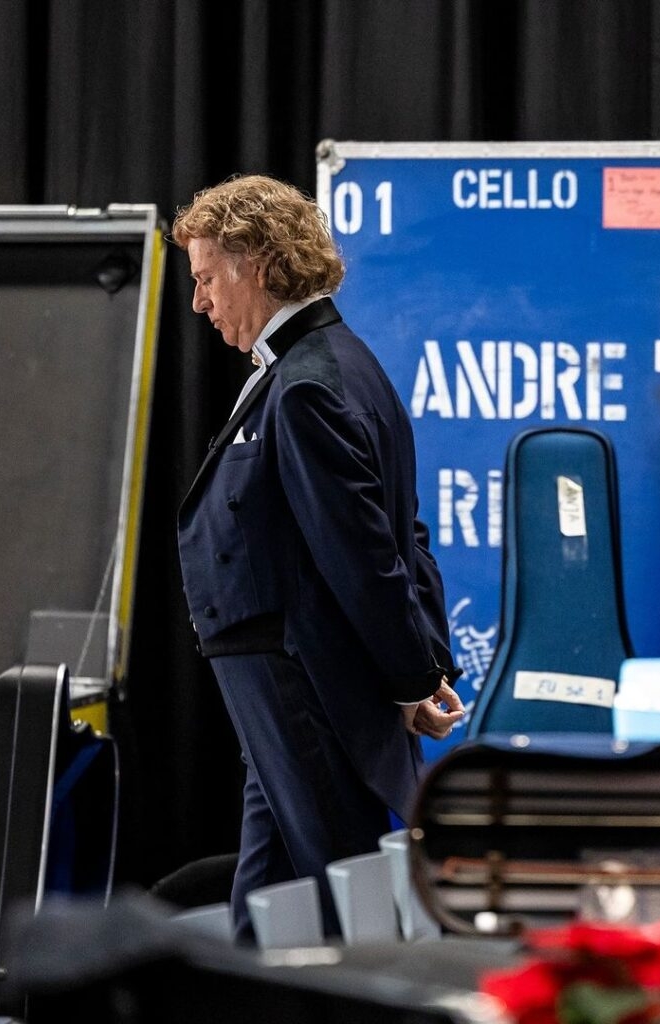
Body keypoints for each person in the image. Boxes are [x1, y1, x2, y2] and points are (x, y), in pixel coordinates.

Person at [172, 174, 464, 944]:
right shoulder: (338, 363)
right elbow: (404, 537)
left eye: (206, 279)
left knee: (342, 900)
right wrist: (421, 661)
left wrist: (412, 675)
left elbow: (369, 553)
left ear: (257, 265)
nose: (201, 303)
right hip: (279, 680)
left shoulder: (308, 384)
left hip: (301, 679)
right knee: (267, 892)